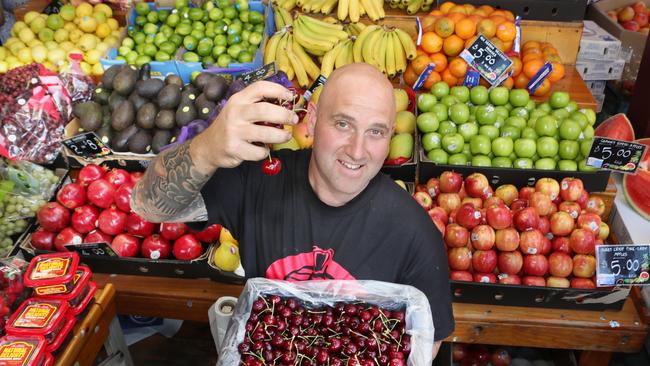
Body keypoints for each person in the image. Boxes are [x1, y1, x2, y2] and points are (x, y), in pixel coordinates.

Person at [132, 63, 454, 356]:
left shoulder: (413, 232)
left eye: (376, 131)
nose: (357, 150)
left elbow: (427, 342)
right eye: (343, 124)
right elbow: (149, 204)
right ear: (311, 121)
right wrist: (207, 148)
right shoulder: (258, 180)